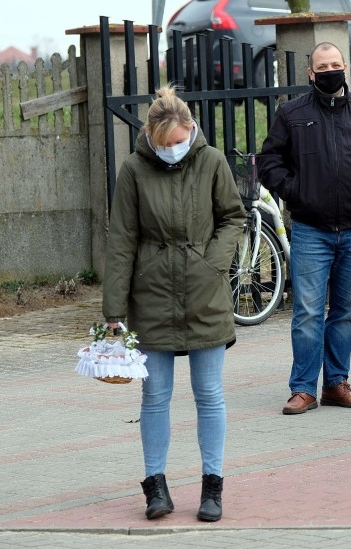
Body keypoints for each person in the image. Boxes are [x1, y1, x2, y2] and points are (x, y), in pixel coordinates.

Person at [102, 85, 245, 522]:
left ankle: (212, 487)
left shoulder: (212, 160)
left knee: (210, 394)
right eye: (165, 144)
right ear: (150, 136)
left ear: (190, 130)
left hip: (205, 293)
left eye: (180, 140)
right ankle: (155, 487)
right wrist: (113, 313)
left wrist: (213, 263)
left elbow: (234, 216)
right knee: (155, 396)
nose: (173, 150)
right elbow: (122, 239)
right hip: (153, 295)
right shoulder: (133, 169)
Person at [258, 42, 351, 416]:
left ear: (345, 68)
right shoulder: (291, 114)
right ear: (311, 73)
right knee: (307, 311)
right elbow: (269, 161)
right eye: (322, 66)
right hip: (311, 229)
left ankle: (337, 384)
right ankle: (303, 389)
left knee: (345, 311)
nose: (329, 71)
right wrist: (295, 191)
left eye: (335, 64)